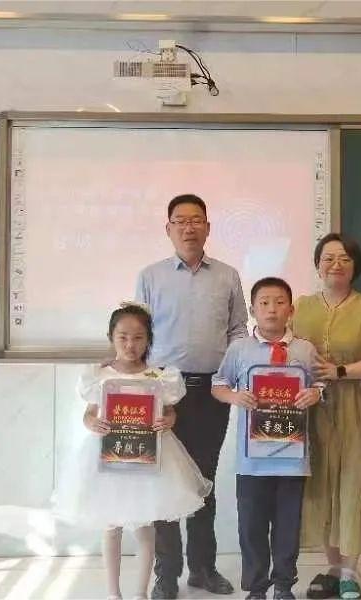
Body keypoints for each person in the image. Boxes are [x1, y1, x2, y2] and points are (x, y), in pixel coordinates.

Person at [55, 303, 212, 600]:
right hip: (108, 458)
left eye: (138, 337)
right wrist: (92, 423)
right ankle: (113, 593)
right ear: (111, 337)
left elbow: (169, 412)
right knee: (111, 526)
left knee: (145, 527)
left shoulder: (159, 377)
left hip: (148, 458)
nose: (130, 344)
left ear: (149, 339)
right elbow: (89, 413)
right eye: (123, 337)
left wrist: (168, 420)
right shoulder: (100, 375)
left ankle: (140, 592)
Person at [135, 194, 248, 598]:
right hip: (165, 393)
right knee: (166, 481)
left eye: (196, 220)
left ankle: (203, 568)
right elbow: (139, 335)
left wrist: (233, 374)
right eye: (180, 221)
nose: (188, 227)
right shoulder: (150, 276)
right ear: (168, 229)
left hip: (212, 391)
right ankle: (166, 575)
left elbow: (238, 330)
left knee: (204, 481)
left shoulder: (228, 276)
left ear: (208, 228)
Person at [292, 233, 361, 600]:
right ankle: (333, 568)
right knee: (321, 486)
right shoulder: (300, 307)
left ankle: (350, 572)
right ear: (318, 264)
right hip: (312, 410)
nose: (336, 264)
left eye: (344, 259)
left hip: (357, 408)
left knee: (352, 484)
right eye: (328, 258)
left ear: (355, 267)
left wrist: (340, 372)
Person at [212, 277, 325, 600]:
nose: (272, 309)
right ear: (252, 310)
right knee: (252, 527)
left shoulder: (304, 349)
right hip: (252, 460)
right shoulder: (240, 349)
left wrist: (315, 394)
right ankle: (257, 587)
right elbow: (218, 385)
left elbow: (322, 383)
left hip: (293, 457)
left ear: (291, 309)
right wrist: (235, 397)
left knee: (288, 527)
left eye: (279, 302)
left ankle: (284, 586)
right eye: (264, 303)